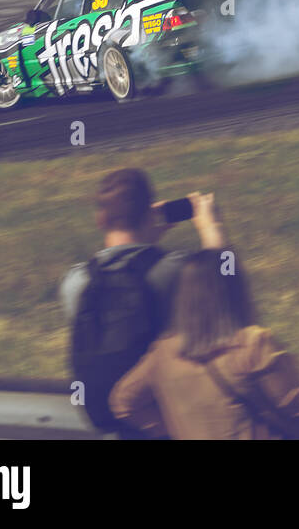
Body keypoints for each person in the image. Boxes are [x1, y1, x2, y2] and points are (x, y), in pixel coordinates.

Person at [59, 168, 227, 434]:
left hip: (108, 420)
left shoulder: (76, 282)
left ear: (100, 219)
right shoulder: (173, 271)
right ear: (150, 214)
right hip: (167, 421)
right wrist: (211, 227)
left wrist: (147, 232)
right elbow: (225, 287)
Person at [110, 251, 299, 439]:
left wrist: (173, 428)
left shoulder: (163, 353)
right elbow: (297, 409)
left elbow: (123, 402)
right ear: (236, 293)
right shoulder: (254, 344)